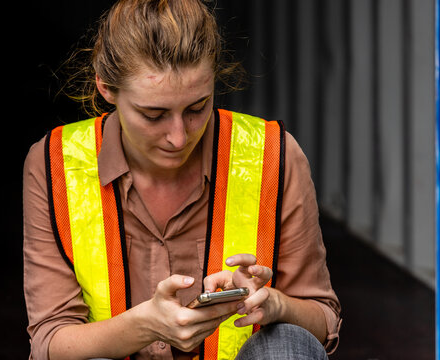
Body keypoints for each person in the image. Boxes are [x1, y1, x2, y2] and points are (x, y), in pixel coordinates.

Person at [23, 0, 341, 359]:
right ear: (106, 88)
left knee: (287, 343)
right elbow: (50, 343)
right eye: (153, 114)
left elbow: (322, 322)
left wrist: (274, 305)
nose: (178, 137)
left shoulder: (272, 155)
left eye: (196, 108)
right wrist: (145, 325)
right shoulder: (55, 163)